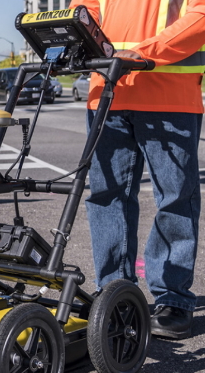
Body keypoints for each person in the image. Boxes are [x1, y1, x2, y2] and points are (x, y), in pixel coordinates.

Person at [68, 0, 205, 339]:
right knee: (106, 197)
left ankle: (173, 299)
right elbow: (85, 9)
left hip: (167, 94)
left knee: (175, 198)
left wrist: (144, 52)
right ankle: (116, 294)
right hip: (108, 91)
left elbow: (199, 16)